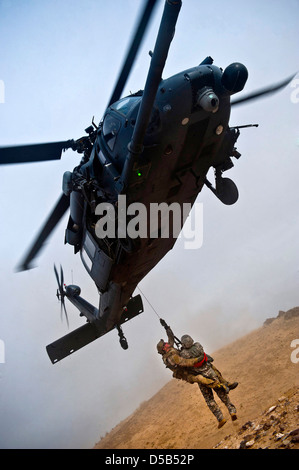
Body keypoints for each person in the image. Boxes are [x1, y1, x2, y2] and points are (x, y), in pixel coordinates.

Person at [179, 333, 238, 428]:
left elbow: (183, 362)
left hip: (201, 379)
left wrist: (181, 349)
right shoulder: (198, 345)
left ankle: (220, 418)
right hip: (210, 372)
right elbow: (200, 354)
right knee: (221, 392)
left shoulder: (183, 354)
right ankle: (232, 411)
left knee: (209, 399)